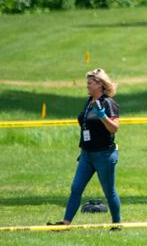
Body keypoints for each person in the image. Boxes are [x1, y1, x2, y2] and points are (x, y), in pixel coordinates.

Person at [48, 68, 121, 229]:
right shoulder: (89, 101)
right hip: (87, 154)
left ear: (100, 84)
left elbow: (114, 128)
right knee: (76, 188)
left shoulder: (108, 103)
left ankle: (116, 224)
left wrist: (103, 116)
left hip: (104, 155)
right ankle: (65, 223)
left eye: (90, 83)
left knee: (109, 191)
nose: (87, 85)